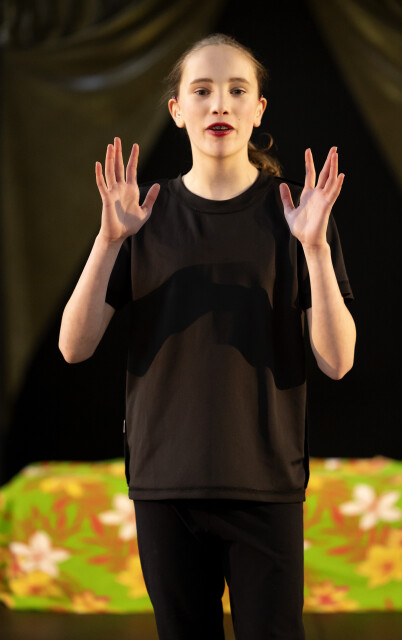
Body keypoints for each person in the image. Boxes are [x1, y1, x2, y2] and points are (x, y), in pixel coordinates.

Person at [59, 32, 356, 640]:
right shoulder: (140, 216)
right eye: (202, 90)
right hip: (165, 484)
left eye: (237, 90)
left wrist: (316, 249)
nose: (220, 103)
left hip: (266, 484)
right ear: (177, 109)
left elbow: (338, 360)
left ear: (258, 109)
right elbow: (74, 346)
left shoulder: (298, 216)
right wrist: (109, 241)